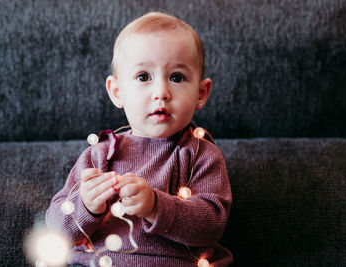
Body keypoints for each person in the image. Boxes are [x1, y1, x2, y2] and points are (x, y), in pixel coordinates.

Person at [46, 11, 232, 267]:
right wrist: (85, 206)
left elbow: (211, 224)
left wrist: (157, 206)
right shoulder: (99, 155)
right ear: (117, 91)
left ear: (201, 93)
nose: (161, 92)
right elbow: (57, 228)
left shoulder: (201, 154)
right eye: (143, 77)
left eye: (176, 77)